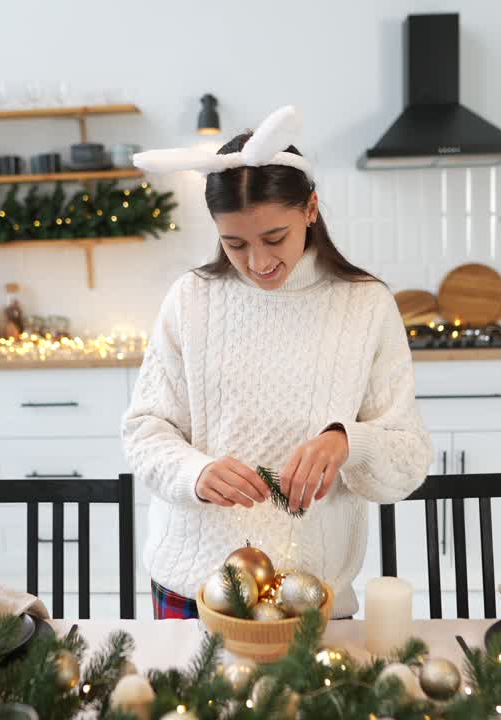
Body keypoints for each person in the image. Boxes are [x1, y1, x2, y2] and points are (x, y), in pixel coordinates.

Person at [122, 106, 432, 619]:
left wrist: (346, 442)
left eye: (274, 238)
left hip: (311, 592)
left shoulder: (365, 305)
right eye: (235, 243)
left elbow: (407, 459)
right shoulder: (190, 299)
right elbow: (144, 432)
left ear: (310, 209)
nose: (259, 263)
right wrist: (194, 474)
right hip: (195, 586)